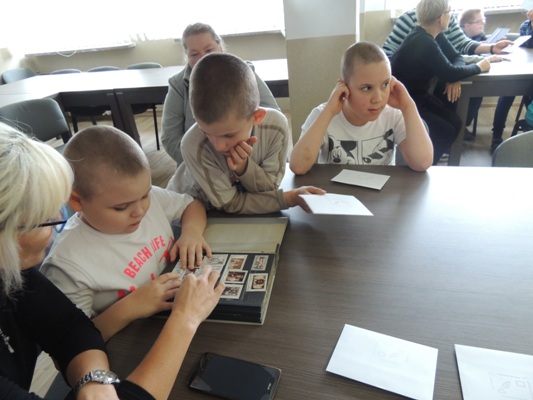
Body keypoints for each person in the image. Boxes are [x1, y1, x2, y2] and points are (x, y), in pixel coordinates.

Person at [0, 121, 224, 399]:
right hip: (135, 350)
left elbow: (69, 329)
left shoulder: (17, 274)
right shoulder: (65, 262)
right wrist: (183, 318)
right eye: (45, 218)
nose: (57, 224)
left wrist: (94, 380)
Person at [41, 125, 212, 343]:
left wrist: (191, 233)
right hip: (133, 343)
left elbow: (192, 205)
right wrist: (131, 306)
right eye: (121, 207)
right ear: (77, 201)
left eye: (145, 195)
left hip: (180, 315)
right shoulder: (66, 266)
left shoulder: (141, 198)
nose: (140, 211)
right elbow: (71, 343)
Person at [167, 52, 326, 214]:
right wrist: (288, 199)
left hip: (223, 211)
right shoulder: (192, 144)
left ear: (257, 117)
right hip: (182, 210)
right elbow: (230, 203)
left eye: (229, 135)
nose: (219, 146)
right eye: (206, 132)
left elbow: (269, 189)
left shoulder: (275, 128)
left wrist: (244, 167)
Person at [289, 41, 433, 175]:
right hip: (337, 193)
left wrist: (408, 106)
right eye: (367, 88)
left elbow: (422, 163)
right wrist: (329, 111)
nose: (378, 98)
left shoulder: (394, 114)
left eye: (385, 84)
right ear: (344, 87)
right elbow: (298, 166)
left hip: (383, 192)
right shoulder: (323, 115)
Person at [391, 0, 499, 165]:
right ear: (440, 18)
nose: (452, 16)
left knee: (455, 122)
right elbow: (450, 71)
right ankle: (420, 165)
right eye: (450, 12)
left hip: (419, 96)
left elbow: (456, 58)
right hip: (404, 100)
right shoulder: (422, 41)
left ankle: (426, 162)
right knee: (445, 131)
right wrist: (479, 66)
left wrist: (454, 76)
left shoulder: (434, 35)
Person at [161, 22, 280, 167]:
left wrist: (245, 156)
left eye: (209, 50)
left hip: (251, 161)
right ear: (187, 57)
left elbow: (272, 116)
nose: (202, 57)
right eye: (194, 54)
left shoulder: (244, 73)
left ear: (220, 47)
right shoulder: (178, 85)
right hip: (202, 167)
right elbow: (170, 137)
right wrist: (203, 162)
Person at [383, 7, 511, 58]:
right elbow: (388, 53)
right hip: (412, 82)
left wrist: (492, 48)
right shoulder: (409, 19)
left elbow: (462, 43)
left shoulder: (449, 18)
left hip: (438, 75)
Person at [490, 10, 533, 153]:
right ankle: (496, 136)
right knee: (506, 96)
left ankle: (529, 130)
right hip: (521, 67)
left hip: (530, 73)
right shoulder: (525, 25)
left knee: (529, 96)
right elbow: (527, 44)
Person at [459, 8, 488, 139]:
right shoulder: (456, 37)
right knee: (472, 90)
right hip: (459, 77)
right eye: (479, 22)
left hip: (474, 74)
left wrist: (490, 46)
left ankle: (464, 124)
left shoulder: (480, 36)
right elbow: (458, 58)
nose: (483, 24)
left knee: (478, 91)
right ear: (466, 25)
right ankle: (461, 126)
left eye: (483, 20)